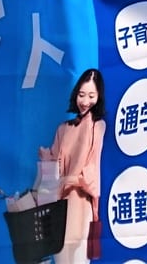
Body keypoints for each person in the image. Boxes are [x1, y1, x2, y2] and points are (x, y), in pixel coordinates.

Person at [39, 68, 106, 264]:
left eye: (91, 95)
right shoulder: (63, 128)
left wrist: (70, 179)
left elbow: (91, 169)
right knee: (60, 258)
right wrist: (46, 156)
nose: (85, 101)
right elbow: (53, 164)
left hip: (80, 203)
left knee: (78, 257)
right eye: (81, 94)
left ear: (99, 97)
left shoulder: (97, 126)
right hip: (59, 203)